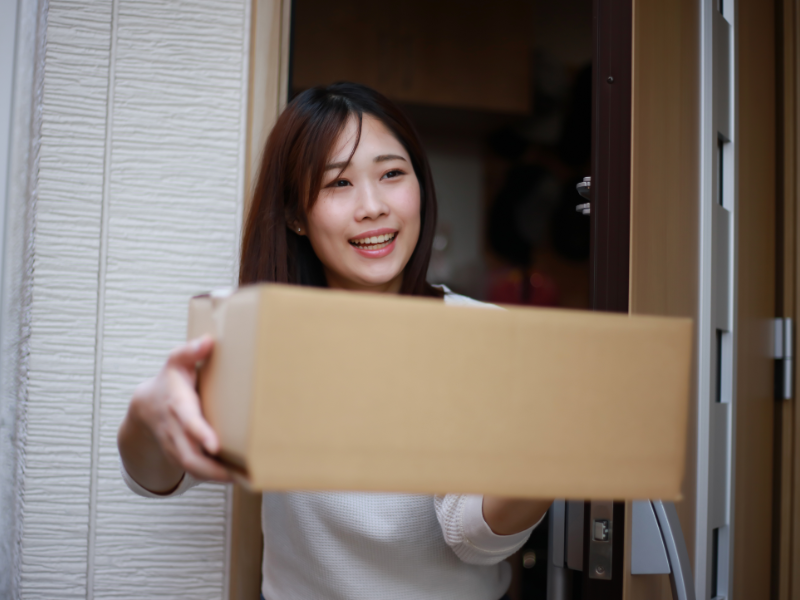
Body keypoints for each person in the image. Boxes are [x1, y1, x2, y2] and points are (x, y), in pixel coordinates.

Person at [117, 82, 551, 600]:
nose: (372, 207)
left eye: (392, 174)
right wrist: (146, 414)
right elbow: (155, 477)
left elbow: (475, 538)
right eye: (338, 184)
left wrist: (550, 459)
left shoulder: (489, 335)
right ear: (296, 216)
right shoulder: (259, 336)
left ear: (420, 184)